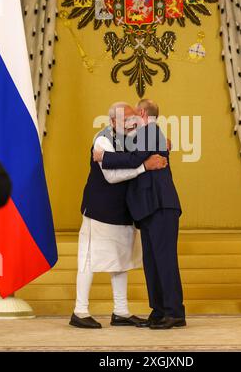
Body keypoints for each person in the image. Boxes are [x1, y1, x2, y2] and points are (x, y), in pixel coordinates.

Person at [70, 102, 167, 329]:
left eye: (133, 119)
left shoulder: (134, 139)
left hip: (123, 211)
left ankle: (121, 311)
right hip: (99, 211)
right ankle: (80, 311)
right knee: (87, 260)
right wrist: (145, 167)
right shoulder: (103, 140)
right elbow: (112, 176)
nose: (131, 123)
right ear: (113, 122)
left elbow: (151, 149)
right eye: (126, 120)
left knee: (121, 262)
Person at [95, 99, 186, 330]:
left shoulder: (151, 130)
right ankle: (159, 310)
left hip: (160, 206)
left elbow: (134, 160)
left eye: (134, 114)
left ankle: (174, 312)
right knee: (152, 262)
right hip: (147, 208)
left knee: (164, 260)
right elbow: (133, 153)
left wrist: (104, 157)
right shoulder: (144, 136)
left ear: (142, 113)